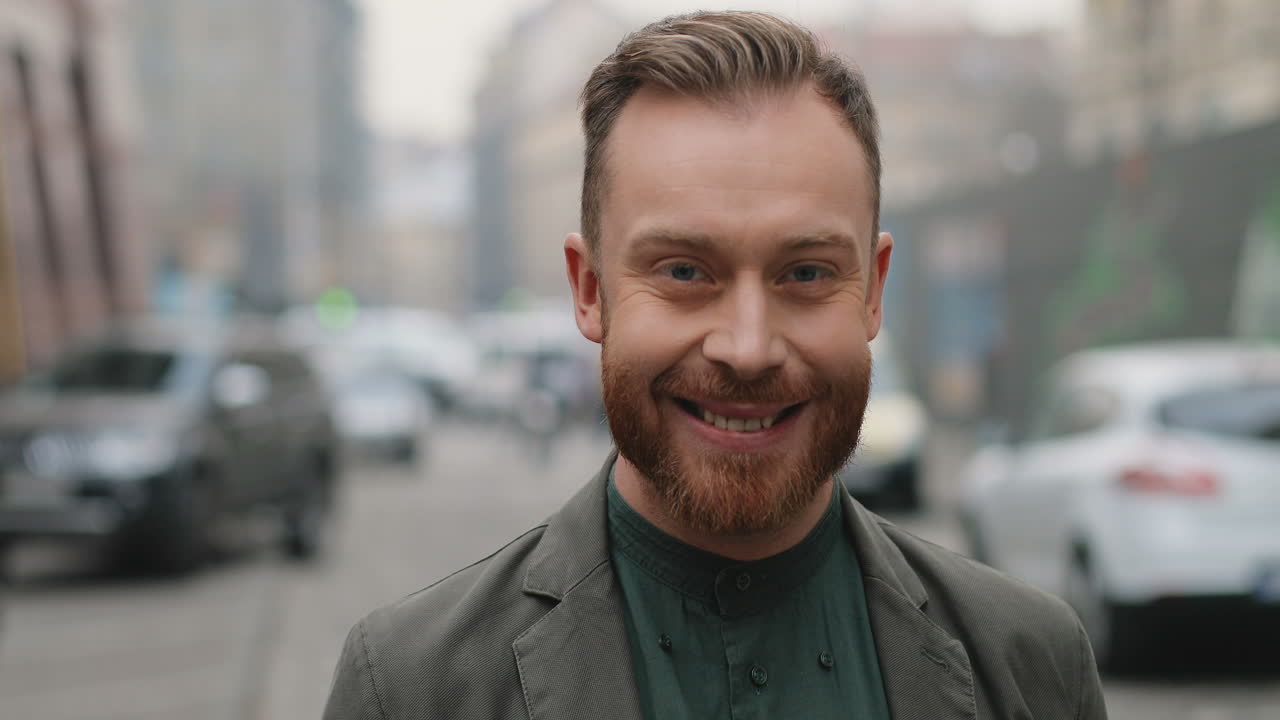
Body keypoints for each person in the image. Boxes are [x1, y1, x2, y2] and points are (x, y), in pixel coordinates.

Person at [323, 11, 1106, 719]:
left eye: (805, 274)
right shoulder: (412, 688)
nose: (748, 347)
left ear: (873, 293)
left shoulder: (1033, 666)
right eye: (685, 272)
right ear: (590, 291)